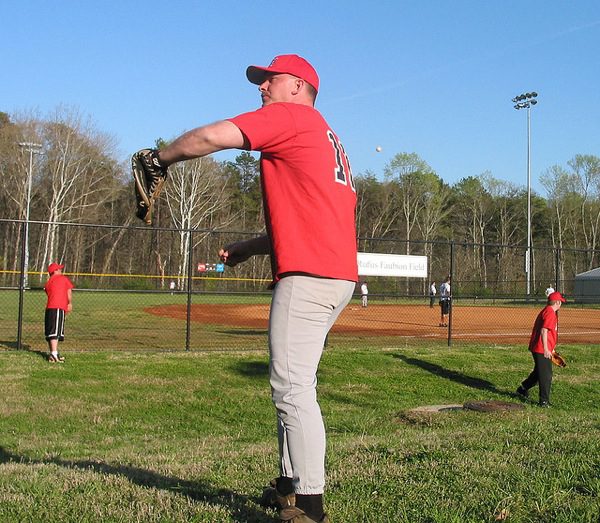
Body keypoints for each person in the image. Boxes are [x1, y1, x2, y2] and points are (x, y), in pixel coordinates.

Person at [147, 54, 357, 523]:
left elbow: (209, 138)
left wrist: (159, 158)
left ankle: (309, 505)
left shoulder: (290, 117)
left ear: (298, 86)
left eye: (271, 80)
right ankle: (288, 486)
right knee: (296, 384)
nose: (262, 88)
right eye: (261, 82)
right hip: (334, 275)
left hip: (309, 278)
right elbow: (312, 220)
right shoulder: (327, 136)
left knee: (293, 389)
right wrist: (250, 246)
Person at [516, 291, 566, 407]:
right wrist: (546, 349)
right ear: (557, 302)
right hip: (541, 349)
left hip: (539, 347)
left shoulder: (547, 310)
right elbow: (544, 331)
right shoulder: (550, 313)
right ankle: (544, 401)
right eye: (561, 302)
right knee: (546, 375)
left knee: (538, 373)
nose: (561, 304)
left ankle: (522, 389)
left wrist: (551, 349)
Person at [44, 262, 74, 363]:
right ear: (55, 271)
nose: (61, 270)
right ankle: (53, 354)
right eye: (59, 269)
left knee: (51, 331)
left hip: (49, 308)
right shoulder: (63, 279)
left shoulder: (48, 282)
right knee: (55, 332)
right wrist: (69, 303)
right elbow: (68, 293)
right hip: (58, 307)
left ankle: (54, 353)